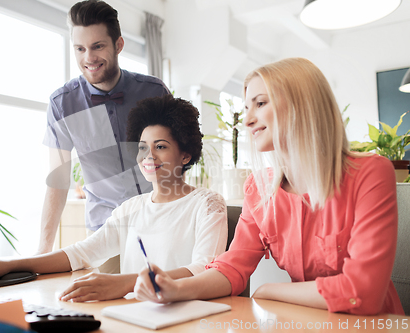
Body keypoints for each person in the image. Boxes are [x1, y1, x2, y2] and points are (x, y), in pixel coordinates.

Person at [134, 58, 405, 315]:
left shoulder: (371, 172)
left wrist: (270, 291)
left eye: (260, 103)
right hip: (305, 323)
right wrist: (176, 288)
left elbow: (363, 292)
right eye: (247, 108)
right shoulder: (259, 188)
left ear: (303, 104)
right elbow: (232, 268)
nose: (247, 120)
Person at [0, 94, 228, 302]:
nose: (149, 156)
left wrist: (127, 282)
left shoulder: (207, 204)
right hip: (135, 315)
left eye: (160, 147)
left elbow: (204, 269)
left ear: (185, 155)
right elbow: (82, 253)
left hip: (186, 317)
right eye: (143, 147)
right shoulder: (130, 209)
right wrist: (10, 263)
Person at [38, 0, 170, 273]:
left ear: (118, 45)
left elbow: (176, 157)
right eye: (80, 49)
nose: (89, 58)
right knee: (109, 310)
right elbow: (58, 181)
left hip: (161, 223)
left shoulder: (154, 91)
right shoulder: (62, 104)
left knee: (169, 304)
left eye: (98, 46)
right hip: (105, 232)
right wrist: (42, 252)